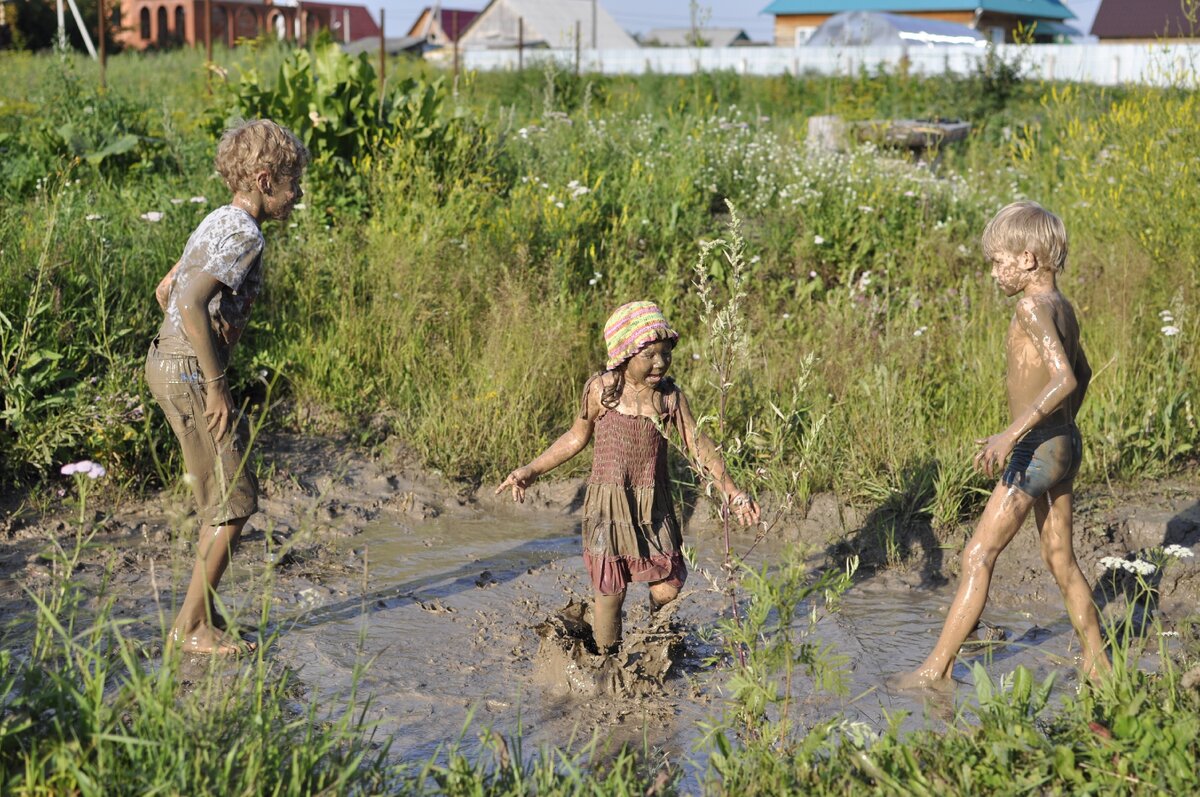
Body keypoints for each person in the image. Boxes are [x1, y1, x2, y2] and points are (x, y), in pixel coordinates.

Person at [891, 201, 1109, 690]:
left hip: (1036, 449)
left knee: (976, 555)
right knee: (1060, 559)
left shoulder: (1031, 306)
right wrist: (1063, 430)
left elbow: (1066, 377)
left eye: (998, 261)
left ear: (1028, 259)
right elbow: (1086, 374)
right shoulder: (1062, 306)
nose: (994, 272)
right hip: (1063, 443)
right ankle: (1101, 668)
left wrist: (1013, 434)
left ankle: (935, 670)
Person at [496, 301, 761, 653]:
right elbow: (576, 436)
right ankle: (608, 663)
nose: (660, 362)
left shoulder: (669, 397)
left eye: (665, 352)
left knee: (668, 585)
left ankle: (657, 641)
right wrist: (530, 470)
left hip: (653, 503)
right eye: (649, 354)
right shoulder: (602, 391)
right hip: (608, 504)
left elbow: (699, 445)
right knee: (611, 594)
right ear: (623, 355)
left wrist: (732, 491)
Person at [145, 119, 308, 655]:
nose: (298, 192)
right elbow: (188, 301)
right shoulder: (245, 234)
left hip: (168, 364)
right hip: (191, 373)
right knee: (236, 501)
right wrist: (214, 384)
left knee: (218, 498)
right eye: (293, 182)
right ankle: (190, 628)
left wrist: (183, 349)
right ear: (265, 179)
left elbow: (167, 287)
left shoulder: (218, 220)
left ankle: (205, 617)